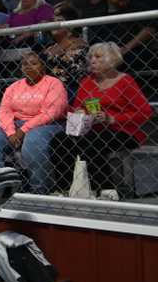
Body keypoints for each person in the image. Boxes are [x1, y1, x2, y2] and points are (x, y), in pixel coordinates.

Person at [52, 42, 153, 198]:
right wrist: (79, 112)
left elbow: (145, 112)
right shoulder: (86, 81)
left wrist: (112, 118)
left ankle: (105, 189)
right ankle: (64, 188)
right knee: (59, 140)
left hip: (122, 130)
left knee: (92, 142)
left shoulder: (125, 81)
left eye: (98, 57)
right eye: (91, 57)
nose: (92, 60)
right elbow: (77, 107)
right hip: (92, 129)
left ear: (112, 59)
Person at [0, 53, 67, 194]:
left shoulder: (54, 83)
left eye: (34, 63)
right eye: (25, 64)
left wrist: (24, 129)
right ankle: (0, 186)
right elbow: (4, 111)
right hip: (17, 124)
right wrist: (10, 131)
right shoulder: (14, 87)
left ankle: (40, 189)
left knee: (33, 141)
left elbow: (51, 113)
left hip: (48, 124)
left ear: (43, 66)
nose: (29, 67)